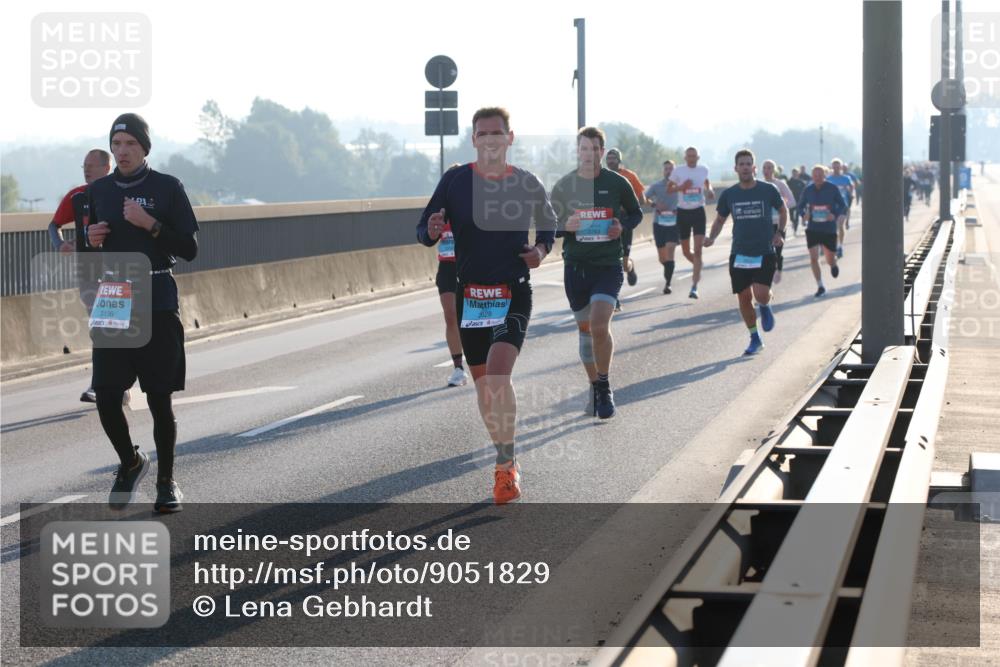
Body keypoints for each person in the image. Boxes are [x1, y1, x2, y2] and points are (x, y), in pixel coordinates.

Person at [417, 107, 556, 504]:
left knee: (497, 376)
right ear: (474, 139)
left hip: (513, 293)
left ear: (510, 138)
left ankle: (505, 466)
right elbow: (424, 227)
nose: (491, 139)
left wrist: (540, 250)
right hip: (471, 298)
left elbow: (549, 223)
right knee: (483, 388)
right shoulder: (456, 181)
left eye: (498, 132)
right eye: (483, 133)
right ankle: (504, 453)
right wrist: (431, 230)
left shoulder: (526, 181)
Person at [86, 113, 199, 513]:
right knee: (106, 396)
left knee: (159, 399)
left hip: (157, 296)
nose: (122, 151)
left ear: (144, 148)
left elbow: (189, 248)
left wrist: (150, 223)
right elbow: (91, 246)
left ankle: (167, 483)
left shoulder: (167, 187)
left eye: (130, 144)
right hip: (115, 297)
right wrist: (90, 239)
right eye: (116, 144)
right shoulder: (99, 190)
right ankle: (131, 461)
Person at [550, 127, 643, 420]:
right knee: (585, 333)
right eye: (583, 148)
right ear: (578, 151)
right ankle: (595, 384)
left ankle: (604, 385)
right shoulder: (565, 185)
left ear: (602, 151)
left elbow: (636, 213)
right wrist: (566, 226)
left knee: (599, 325)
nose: (588, 154)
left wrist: (621, 226)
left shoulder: (617, 182)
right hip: (576, 267)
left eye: (594, 148)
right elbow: (548, 225)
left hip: (607, 265)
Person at [48, 150, 119, 403]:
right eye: (84, 166)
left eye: (91, 165)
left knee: (111, 327)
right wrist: (60, 244)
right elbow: (54, 225)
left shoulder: (118, 193)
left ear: (106, 168)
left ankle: (115, 384)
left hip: (117, 272)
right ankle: (104, 385)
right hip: (87, 271)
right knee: (99, 327)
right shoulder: (77, 196)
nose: (86, 170)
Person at [704, 149, 786, 355]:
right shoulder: (730, 194)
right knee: (743, 298)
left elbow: (783, 209)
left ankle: (765, 306)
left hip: (764, 250)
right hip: (739, 252)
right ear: (736, 168)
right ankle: (754, 337)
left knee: (760, 294)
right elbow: (720, 220)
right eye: (742, 164)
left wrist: (780, 232)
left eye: (749, 164)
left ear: (754, 168)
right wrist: (711, 237)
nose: (745, 167)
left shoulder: (768, 190)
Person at [431, 163, 468, 387]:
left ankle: (482, 358)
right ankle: (458, 368)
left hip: (469, 266)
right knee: (451, 316)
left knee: (470, 318)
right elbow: (428, 234)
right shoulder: (439, 210)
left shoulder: (471, 207)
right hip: (447, 267)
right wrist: (432, 229)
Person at [667, 147, 715, 299]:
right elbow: (669, 189)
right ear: (685, 157)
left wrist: (710, 190)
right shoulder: (678, 171)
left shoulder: (703, 169)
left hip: (698, 211)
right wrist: (682, 187)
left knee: (698, 250)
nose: (691, 158)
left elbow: (706, 181)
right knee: (686, 251)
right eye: (689, 156)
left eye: (694, 156)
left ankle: (694, 287)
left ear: (698, 157)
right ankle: (698, 265)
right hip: (683, 212)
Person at [798, 164, 846, 297]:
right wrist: (804, 214)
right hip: (813, 228)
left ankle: (833, 264)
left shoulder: (832, 188)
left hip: (828, 228)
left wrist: (834, 215)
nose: (817, 178)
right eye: (815, 175)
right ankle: (820, 286)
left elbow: (842, 204)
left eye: (820, 175)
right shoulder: (808, 190)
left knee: (829, 258)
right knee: (814, 258)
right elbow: (800, 206)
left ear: (825, 175)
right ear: (812, 176)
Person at [604, 148, 646, 296]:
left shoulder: (629, 176)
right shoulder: (602, 177)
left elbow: (642, 199)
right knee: (607, 259)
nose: (610, 161)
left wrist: (628, 206)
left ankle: (630, 267)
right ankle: (612, 295)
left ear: (619, 160)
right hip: (607, 220)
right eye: (608, 159)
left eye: (613, 158)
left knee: (624, 263)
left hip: (625, 220)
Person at [644, 160, 681, 294]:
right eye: (666, 169)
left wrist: (679, 210)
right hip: (659, 223)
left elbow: (688, 201)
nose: (669, 171)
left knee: (670, 252)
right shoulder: (656, 186)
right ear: (663, 171)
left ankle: (668, 284)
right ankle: (669, 268)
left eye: (671, 169)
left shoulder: (680, 185)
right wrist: (655, 205)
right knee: (662, 258)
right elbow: (643, 198)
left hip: (674, 224)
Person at [761, 160, 796, 285]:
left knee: (777, 250)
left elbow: (792, 201)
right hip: (764, 223)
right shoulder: (759, 185)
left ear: (774, 170)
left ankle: (778, 268)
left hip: (779, 222)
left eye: (770, 167)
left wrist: (780, 207)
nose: (767, 170)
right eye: (765, 167)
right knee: (766, 251)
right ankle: (767, 275)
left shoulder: (780, 184)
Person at [827, 158, 854, 258]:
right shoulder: (828, 179)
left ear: (841, 167)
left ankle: (840, 246)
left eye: (838, 167)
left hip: (843, 205)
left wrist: (850, 193)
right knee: (833, 228)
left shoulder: (846, 178)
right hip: (831, 207)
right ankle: (835, 246)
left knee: (840, 225)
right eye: (834, 167)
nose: (836, 169)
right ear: (832, 167)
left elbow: (851, 186)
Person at [787, 167, 806, 236]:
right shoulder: (789, 182)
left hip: (799, 201)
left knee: (797, 215)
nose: (795, 174)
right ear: (792, 173)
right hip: (791, 200)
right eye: (793, 173)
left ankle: (795, 229)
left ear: (798, 173)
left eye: (796, 173)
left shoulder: (801, 182)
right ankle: (792, 222)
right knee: (791, 215)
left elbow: (805, 191)